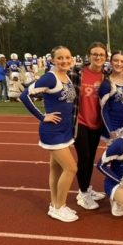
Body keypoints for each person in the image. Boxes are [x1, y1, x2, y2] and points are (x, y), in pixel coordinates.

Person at [20, 46, 78, 222]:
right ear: (53, 60)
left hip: (65, 131)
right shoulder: (50, 78)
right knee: (71, 168)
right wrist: (42, 116)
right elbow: (25, 95)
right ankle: (60, 207)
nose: (65, 61)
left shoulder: (66, 75)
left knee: (56, 168)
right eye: (60, 58)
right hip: (53, 132)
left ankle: (55, 204)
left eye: (67, 57)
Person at [72, 42, 108, 210]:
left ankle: (87, 188)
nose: (98, 57)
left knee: (91, 158)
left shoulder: (106, 75)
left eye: (101, 54)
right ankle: (83, 192)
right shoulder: (78, 72)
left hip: (97, 123)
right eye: (95, 54)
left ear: (105, 57)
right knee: (84, 158)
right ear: (89, 55)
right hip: (80, 123)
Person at [99, 50, 123, 141]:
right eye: (116, 60)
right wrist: (111, 131)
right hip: (114, 127)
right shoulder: (107, 84)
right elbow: (103, 111)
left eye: (122, 61)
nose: (119, 64)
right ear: (111, 62)